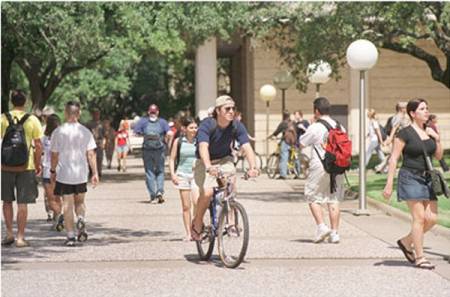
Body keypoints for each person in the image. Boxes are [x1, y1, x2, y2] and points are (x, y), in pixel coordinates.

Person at [383, 98, 442, 269]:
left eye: (427, 108)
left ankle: (406, 241)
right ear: (412, 113)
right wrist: (389, 184)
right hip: (410, 177)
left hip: (429, 178)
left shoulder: (430, 131)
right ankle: (420, 257)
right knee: (420, 218)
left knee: (432, 219)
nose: (426, 111)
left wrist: (437, 139)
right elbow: (393, 158)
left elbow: (438, 156)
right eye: (422, 109)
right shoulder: (405, 133)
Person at [190, 95, 259, 241]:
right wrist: (208, 166)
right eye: (227, 109)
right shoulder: (207, 124)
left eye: (233, 109)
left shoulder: (236, 125)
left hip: (224, 159)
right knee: (207, 193)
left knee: (231, 184)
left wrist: (253, 167)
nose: (231, 111)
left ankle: (231, 223)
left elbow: (247, 147)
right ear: (218, 110)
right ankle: (197, 222)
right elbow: (203, 147)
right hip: (204, 162)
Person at [50, 101, 99, 246]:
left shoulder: (58, 131)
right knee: (80, 202)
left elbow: (54, 155)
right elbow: (91, 154)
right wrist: (95, 173)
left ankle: (70, 236)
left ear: (65, 113)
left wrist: (52, 170)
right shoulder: (85, 131)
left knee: (67, 204)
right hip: (80, 173)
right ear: (79, 113)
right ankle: (81, 218)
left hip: (64, 173)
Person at [299, 97, 344, 244]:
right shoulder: (339, 126)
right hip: (337, 166)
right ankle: (335, 233)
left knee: (312, 195)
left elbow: (301, 142)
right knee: (334, 198)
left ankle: (321, 226)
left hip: (320, 165)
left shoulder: (315, 127)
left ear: (316, 111)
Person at [1, 90, 43, 248]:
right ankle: (20, 237)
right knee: (22, 203)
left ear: (12, 102)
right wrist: (38, 164)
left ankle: (9, 233)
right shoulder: (32, 120)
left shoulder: (3, 118)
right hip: (26, 166)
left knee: (6, 201)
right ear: (25, 102)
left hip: (5, 166)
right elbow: (38, 145)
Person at [133, 104, 174, 203]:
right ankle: (159, 191)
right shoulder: (162, 122)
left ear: (148, 112)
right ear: (157, 112)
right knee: (160, 171)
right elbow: (170, 133)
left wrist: (143, 134)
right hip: (160, 150)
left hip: (147, 150)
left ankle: (153, 195)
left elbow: (135, 132)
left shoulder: (143, 121)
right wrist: (168, 144)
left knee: (149, 172)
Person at [169, 117, 199, 241]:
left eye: (196, 127)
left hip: (197, 175)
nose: (194, 130)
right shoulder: (178, 141)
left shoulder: (200, 141)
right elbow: (172, 159)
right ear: (185, 129)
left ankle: (196, 228)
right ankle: (188, 233)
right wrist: (173, 174)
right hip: (182, 175)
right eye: (191, 128)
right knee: (186, 206)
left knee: (197, 202)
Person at [41, 114, 64, 230]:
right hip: (61, 171)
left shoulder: (44, 138)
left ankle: (60, 216)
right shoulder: (64, 137)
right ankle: (57, 221)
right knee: (58, 198)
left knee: (51, 200)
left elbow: (40, 153)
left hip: (48, 170)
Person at [268, 110, 297, 179]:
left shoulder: (283, 123)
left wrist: (270, 136)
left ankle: (283, 174)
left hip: (285, 142)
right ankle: (297, 172)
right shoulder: (292, 123)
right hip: (292, 142)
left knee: (283, 157)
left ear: (283, 116)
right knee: (294, 157)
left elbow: (277, 132)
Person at [86, 109, 105, 177]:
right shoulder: (89, 124)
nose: (97, 115)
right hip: (91, 142)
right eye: (95, 114)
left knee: (99, 158)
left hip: (99, 142)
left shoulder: (102, 124)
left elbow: (104, 134)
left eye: (98, 114)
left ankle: (99, 171)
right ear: (93, 115)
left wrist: (103, 142)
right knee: (91, 156)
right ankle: (91, 171)